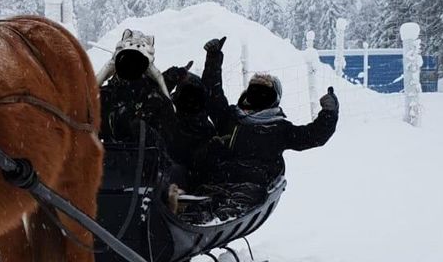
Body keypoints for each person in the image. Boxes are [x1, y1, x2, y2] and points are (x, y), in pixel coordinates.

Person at [195, 36, 339, 191]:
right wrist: (213, 58)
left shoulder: (278, 128)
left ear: (273, 99)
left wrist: (329, 113)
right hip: (219, 181)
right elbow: (212, 94)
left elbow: (313, 136)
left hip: (253, 189)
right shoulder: (230, 117)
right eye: (254, 92)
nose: (257, 98)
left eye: (264, 94)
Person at [97, 29, 175, 143]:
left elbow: (169, 144)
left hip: (145, 158)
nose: (130, 65)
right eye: (126, 61)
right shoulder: (102, 98)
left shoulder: (157, 101)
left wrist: (146, 134)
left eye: (135, 62)